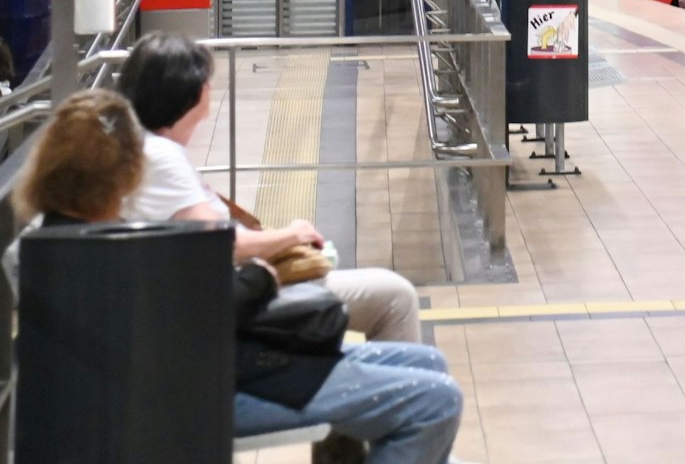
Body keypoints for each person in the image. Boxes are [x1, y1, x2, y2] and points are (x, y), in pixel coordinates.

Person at [14, 89, 466, 464]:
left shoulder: (47, 244)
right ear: (121, 176)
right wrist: (260, 279)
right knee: (435, 401)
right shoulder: (108, 251)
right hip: (201, 393)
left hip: (203, 370)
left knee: (427, 364)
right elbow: (195, 315)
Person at [118, 32, 423, 345]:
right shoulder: (160, 157)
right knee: (395, 297)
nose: (211, 87)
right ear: (188, 91)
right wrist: (293, 234)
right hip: (228, 301)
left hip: (210, 296)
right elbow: (219, 243)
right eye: (206, 80)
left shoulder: (142, 149)